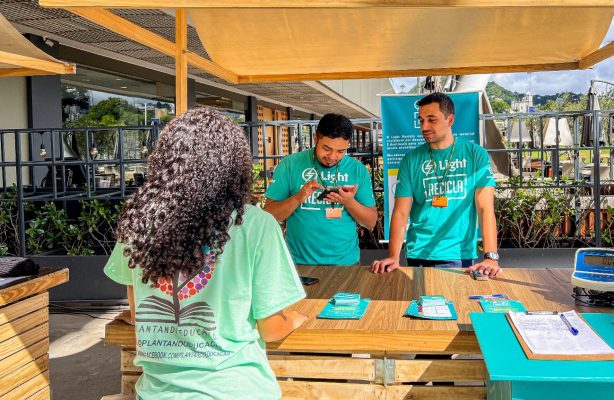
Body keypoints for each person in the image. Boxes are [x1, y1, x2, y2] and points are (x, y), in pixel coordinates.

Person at [103, 108, 308, 400]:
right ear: (234, 167)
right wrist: (297, 319)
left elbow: (139, 313)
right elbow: (272, 329)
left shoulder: (140, 223)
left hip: (157, 393)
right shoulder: (254, 224)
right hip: (237, 390)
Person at [371, 92, 501, 277]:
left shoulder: (475, 154)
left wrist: (491, 256)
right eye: (421, 120)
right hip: (418, 253)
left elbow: (485, 207)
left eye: (432, 120)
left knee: (454, 304)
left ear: (450, 119)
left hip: (458, 253)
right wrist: (393, 255)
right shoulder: (411, 160)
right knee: (418, 304)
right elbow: (401, 211)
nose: (424, 126)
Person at [263, 113, 377, 266]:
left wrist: (349, 202)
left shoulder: (357, 170)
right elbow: (268, 214)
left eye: (340, 151)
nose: (332, 156)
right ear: (315, 138)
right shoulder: (290, 164)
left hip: (346, 263)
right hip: (298, 263)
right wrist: (298, 197)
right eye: (326, 148)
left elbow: (370, 222)